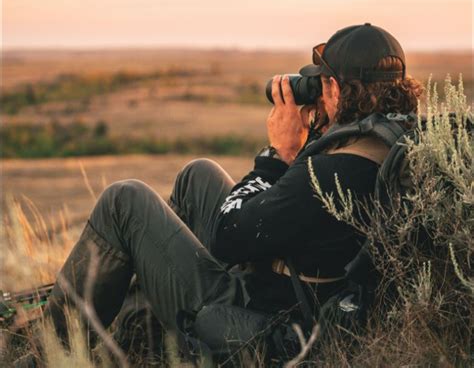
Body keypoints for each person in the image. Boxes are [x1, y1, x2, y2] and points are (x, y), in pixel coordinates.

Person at [38, 23, 423, 363]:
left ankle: (49, 353)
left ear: (335, 88)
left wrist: (277, 156)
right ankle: (141, 326)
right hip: (296, 289)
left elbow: (227, 236)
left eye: (322, 84)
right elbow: (293, 216)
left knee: (124, 201)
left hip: (264, 323)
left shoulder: (329, 172)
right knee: (198, 175)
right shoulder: (389, 145)